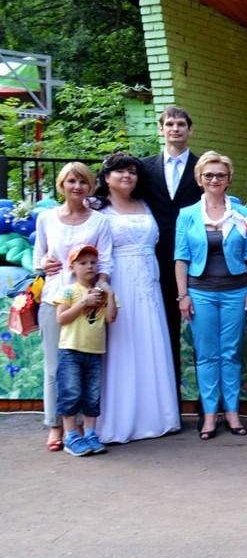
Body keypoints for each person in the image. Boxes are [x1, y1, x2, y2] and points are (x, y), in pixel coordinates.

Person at [94, 152, 182, 444]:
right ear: (106, 177)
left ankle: (157, 416)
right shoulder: (95, 208)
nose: (127, 176)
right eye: (119, 172)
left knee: (150, 343)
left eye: (132, 171)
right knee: (122, 346)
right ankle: (120, 420)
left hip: (149, 283)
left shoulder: (146, 204)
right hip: (118, 283)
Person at [174, 152, 247, 440]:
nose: (214, 179)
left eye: (220, 175)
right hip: (200, 293)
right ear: (199, 179)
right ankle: (210, 415)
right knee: (207, 356)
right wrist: (182, 295)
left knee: (231, 354)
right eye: (208, 175)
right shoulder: (187, 215)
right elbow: (181, 258)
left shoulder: (242, 215)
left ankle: (232, 413)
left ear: (228, 179)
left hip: (236, 291)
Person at [33, 162, 113, 452]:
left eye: (83, 182)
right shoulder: (46, 218)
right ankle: (55, 426)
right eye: (71, 181)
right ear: (62, 185)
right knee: (55, 368)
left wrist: (102, 289)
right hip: (56, 298)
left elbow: (105, 261)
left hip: (90, 303)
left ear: (90, 186)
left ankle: (80, 427)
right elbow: (38, 258)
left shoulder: (99, 221)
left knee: (85, 367)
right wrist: (43, 263)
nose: (77, 187)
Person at [140, 106, 202, 408]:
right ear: (161, 129)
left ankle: (209, 409)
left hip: (198, 262)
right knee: (162, 333)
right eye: (169, 124)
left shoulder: (204, 167)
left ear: (189, 130)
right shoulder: (144, 168)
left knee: (202, 337)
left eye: (181, 124)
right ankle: (168, 406)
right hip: (154, 261)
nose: (175, 129)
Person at [53, 244, 117, 457]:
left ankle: (91, 433)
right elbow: (61, 318)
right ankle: (70, 436)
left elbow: (111, 318)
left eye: (92, 262)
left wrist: (109, 294)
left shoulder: (101, 292)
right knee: (70, 393)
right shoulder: (69, 291)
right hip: (71, 350)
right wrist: (83, 303)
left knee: (92, 395)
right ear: (72, 267)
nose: (89, 266)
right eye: (82, 263)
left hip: (94, 351)